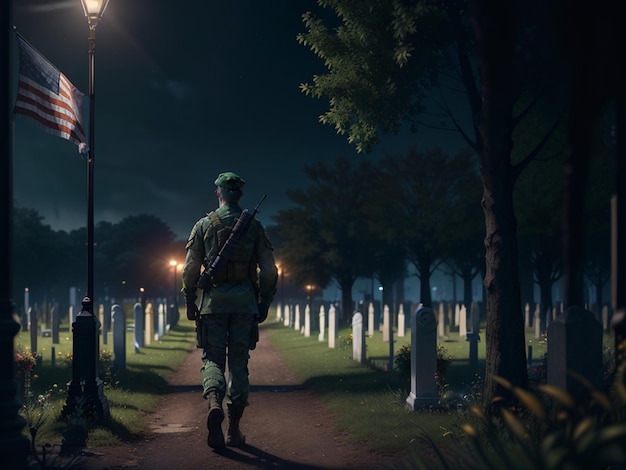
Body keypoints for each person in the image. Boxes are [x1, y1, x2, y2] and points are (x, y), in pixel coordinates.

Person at [181, 171, 278, 449]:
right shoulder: (255, 227)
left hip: (212, 305)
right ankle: (234, 429)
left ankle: (214, 402)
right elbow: (269, 270)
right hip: (244, 304)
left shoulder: (203, 225)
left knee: (212, 359)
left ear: (218, 194)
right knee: (239, 363)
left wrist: (190, 299)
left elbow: (189, 269)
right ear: (240, 195)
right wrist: (264, 302)